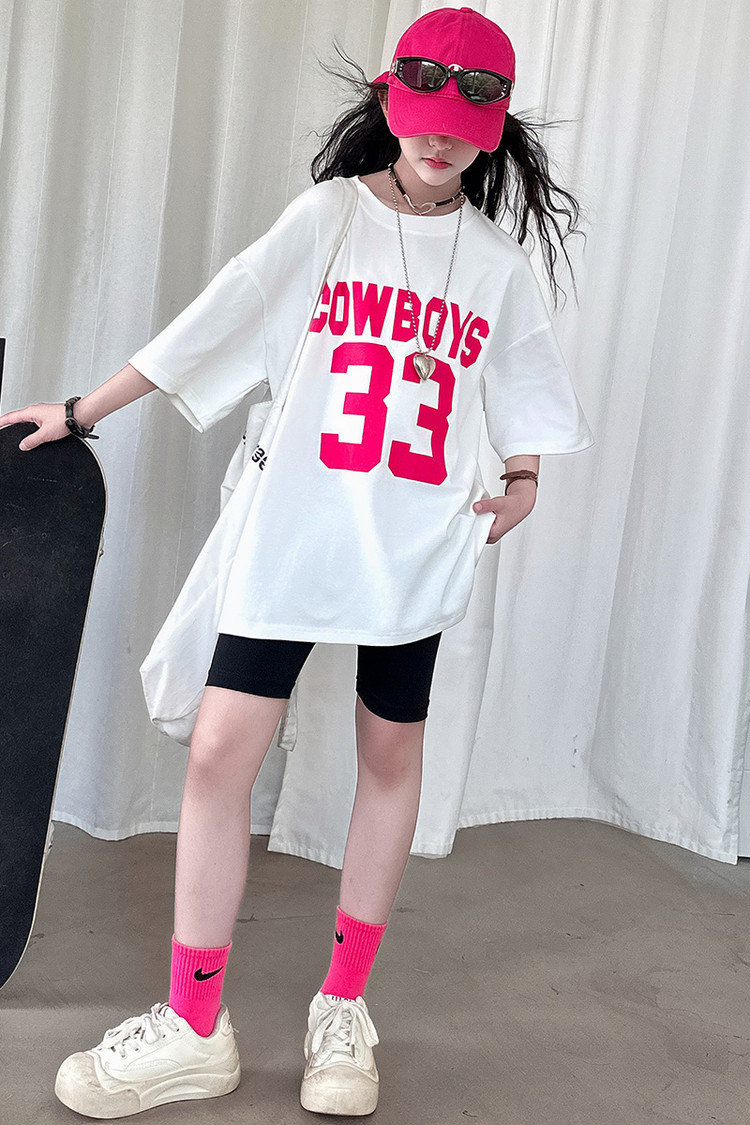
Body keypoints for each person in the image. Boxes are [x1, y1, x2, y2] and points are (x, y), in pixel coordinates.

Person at [0, 6, 593, 1118]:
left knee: (389, 755)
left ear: (496, 129)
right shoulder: (328, 218)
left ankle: (344, 1008)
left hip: (412, 545)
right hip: (297, 530)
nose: (441, 139)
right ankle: (194, 1024)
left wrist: (523, 478)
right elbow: (214, 322)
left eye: (466, 124)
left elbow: (518, 384)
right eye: (425, 114)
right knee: (221, 751)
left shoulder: (496, 264)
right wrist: (82, 410)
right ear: (388, 103)